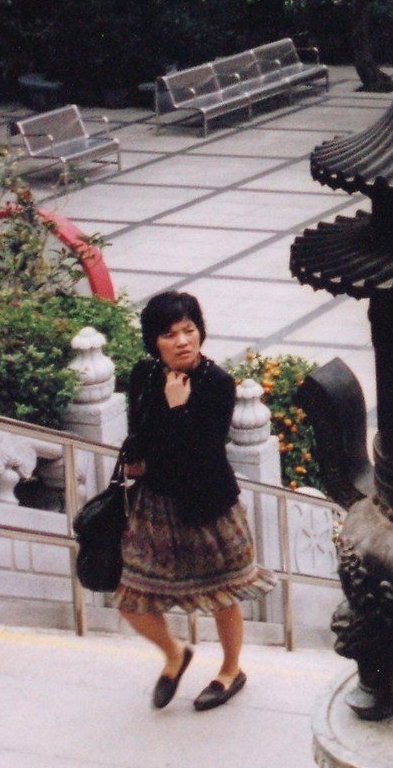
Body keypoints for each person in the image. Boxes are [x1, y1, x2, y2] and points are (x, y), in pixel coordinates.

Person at [117, 290, 275, 711]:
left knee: (222, 594)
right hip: (155, 505)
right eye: (170, 334)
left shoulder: (218, 384)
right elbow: (140, 434)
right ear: (155, 342)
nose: (183, 341)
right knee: (131, 599)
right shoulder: (143, 375)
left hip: (206, 506)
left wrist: (177, 409)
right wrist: (135, 455)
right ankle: (174, 654)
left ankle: (230, 670)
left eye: (190, 330)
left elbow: (203, 453)